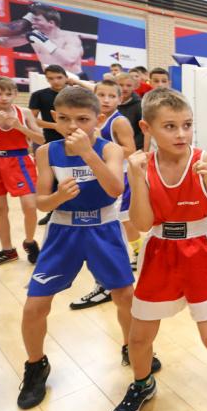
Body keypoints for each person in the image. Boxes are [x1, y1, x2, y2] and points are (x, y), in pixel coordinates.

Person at [106, 89, 207, 411]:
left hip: (200, 248)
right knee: (139, 336)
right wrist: (136, 179)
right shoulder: (142, 166)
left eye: (187, 125)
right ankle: (142, 384)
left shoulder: (206, 160)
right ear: (148, 128)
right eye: (170, 126)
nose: (181, 133)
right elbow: (142, 224)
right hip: (159, 249)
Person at [17, 87, 160, 410]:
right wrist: (57, 198)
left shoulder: (110, 149)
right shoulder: (47, 152)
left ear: (98, 118)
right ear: (55, 118)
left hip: (103, 228)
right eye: (65, 119)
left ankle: (132, 347)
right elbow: (41, 203)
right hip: (63, 231)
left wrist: (87, 154)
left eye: (82, 119)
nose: (73, 126)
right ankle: (35, 365)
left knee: (125, 296)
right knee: (34, 306)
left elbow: (115, 189)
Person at [70, 79, 141, 310]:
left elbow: (131, 149)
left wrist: (100, 149)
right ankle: (110, 279)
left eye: (111, 96)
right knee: (107, 228)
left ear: (120, 99)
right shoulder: (89, 120)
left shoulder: (118, 121)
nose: (106, 100)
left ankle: (111, 281)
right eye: (101, 95)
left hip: (118, 177)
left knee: (114, 227)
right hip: (97, 178)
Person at [0, 76, 44, 268]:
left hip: (19, 161)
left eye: (8, 93)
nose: (4, 97)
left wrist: (20, 127)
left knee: (30, 205)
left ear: (16, 94)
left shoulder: (23, 112)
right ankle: (7, 250)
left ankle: (29, 241)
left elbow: (41, 139)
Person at [26, 4, 84, 76]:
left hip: (73, 79)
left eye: (37, 20)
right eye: (32, 19)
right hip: (51, 78)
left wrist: (46, 42)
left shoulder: (71, 38)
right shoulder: (34, 37)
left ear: (51, 23)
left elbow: (69, 60)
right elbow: (10, 40)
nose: (33, 22)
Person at [115, 73, 144, 150]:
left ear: (134, 87)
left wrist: (134, 146)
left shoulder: (139, 105)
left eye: (128, 85)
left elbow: (143, 131)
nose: (125, 88)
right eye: (121, 85)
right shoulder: (110, 103)